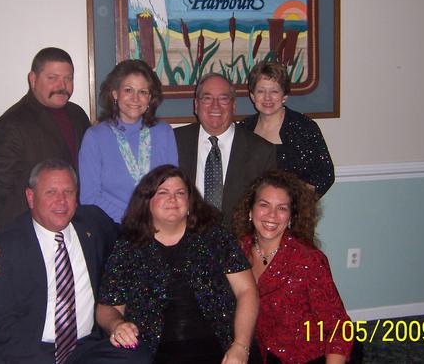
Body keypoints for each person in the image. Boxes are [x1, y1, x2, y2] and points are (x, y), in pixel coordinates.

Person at [0, 159, 148, 364]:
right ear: (31, 197)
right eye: (51, 192)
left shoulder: (94, 223)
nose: (61, 201)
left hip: (86, 347)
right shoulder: (2, 248)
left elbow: (133, 240)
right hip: (28, 350)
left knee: (137, 355)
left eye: (68, 192)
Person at [96, 165, 259, 364]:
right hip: (153, 354)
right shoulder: (129, 246)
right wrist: (116, 325)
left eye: (180, 193)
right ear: (147, 201)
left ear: (190, 201)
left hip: (222, 349)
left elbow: (247, 291)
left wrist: (241, 346)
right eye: (163, 192)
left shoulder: (214, 235)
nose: (172, 199)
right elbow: (107, 308)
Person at [0, 47, 91, 277]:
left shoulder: (78, 116)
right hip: (27, 238)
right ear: (33, 79)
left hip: (69, 234)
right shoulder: (11, 125)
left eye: (68, 78)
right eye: (52, 78)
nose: (62, 86)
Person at [232, 170, 352, 364]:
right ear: (250, 211)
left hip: (307, 357)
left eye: (282, 208)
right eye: (264, 205)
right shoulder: (239, 250)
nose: (272, 215)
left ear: (290, 217)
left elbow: (338, 327)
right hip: (257, 352)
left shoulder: (308, 260)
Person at [79, 59, 178, 223]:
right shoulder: (95, 137)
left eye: (143, 92)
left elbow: (173, 187)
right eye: (128, 90)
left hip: (160, 227)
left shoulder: (164, 133)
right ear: (115, 94)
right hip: (113, 228)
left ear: (150, 98)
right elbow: (89, 197)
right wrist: (131, 220)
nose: (135, 98)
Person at [174, 72, 276, 227]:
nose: (215, 106)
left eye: (223, 99)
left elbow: (266, 208)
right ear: (196, 105)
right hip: (184, 241)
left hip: (239, 243)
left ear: (233, 105)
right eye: (207, 98)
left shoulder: (261, 151)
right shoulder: (174, 141)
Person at [240, 61, 334, 197]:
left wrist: (294, 202)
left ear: (284, 96)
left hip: (294, 212)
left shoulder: (304, 127)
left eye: (274, 91)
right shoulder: (243, 129)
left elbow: (326, 175)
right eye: (261, 91)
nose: (267, 97)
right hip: (253, 212)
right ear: (252, 95)